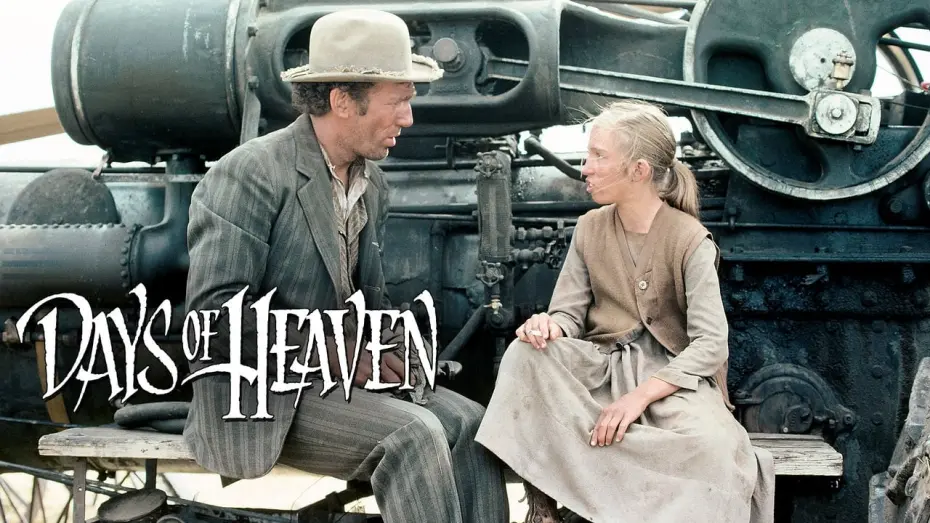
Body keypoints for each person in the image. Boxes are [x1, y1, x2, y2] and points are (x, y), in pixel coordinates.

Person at [182, 9, 509, 523]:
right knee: (414, 434)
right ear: (341, 101)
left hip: (338, 384)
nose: (408, 118)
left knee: (473, 423)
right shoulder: (248, 173)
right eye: (397, 101)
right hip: (263, 393)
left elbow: (364, 303)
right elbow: (214, 320)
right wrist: (338, 356)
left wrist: (391, 347)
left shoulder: (372, 184)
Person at [475, 100, 775, 523]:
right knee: (526, 354)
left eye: (599, 156)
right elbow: (568, 316)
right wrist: (548, 326)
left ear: (639, 170)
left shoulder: (690, 240)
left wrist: (637, 399)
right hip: (599, 372)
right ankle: (544, 510)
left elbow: (710, 344)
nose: (585, 168)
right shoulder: (589, 227)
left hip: (671, 385)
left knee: (718, 451)